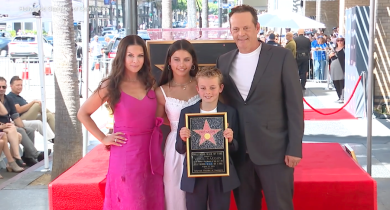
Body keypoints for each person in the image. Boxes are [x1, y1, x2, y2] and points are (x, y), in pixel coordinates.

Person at [216, 5, 304, 210]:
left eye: (246, 28)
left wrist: (294, 148)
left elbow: (294, 105)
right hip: (238, 153)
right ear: (230, 30)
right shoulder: (224, 61)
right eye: (236, 29)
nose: (241, 33)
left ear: (257, 27)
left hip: (275, 152)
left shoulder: (281, 57)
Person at [77, 35, 164, 210]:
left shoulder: (150, 81)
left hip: (151, 151)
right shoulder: (111, 85)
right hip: (126, 153)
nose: (135, 60)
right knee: (130, 202)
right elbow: (83, 113)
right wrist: (103, 138)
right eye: (130, 55)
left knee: (152, 201)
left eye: (140, 56)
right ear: (121, 56)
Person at [176, 66, 240, 210]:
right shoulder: (186, 113)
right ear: (197, 89)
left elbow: (237, 147)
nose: (208, 92)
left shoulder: (230, 112)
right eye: (203, 88)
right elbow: (179, 149)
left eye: (212, 87)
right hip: (195, 175)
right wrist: (183, 138)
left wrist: (230, 140)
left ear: (220, 88)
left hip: (221, 176)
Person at [155, 39, 200, 210]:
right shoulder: (161, 91)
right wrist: (177, 126)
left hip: (203, 144)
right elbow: (158, 121)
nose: (182, 64)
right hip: (175, 148)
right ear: (169, 61)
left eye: (186, 59)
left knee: (201, 193)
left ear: (193, 61)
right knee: (175, 193)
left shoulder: (201, 85)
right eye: (177, 59)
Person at [0, 77, 45, 167]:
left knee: (29, 130)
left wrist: (22, 127)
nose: (1, 89)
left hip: (8, 125)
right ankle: (35, 154)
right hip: (3, 127)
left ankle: (28, 157)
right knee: (19, 131)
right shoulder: (10, 97)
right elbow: (7, 113)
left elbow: (15, 116)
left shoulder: (8, 99)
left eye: (3, 87)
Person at [7, 76, 55, 141]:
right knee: (36, 105)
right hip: (19, 119)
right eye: (17, 85)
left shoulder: (19, 97)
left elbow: (28, 109)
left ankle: (58, 136)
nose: (20, 87)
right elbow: (18, 110)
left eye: (21, 85)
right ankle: (51, 137)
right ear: (11, 86)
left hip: (27, 116)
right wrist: (32, 102)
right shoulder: (11, 96)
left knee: (48, 116)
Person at [329, 35, 345, 103]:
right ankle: (339, 96)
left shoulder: (345, 49)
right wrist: (330, 56)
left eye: (341, 40)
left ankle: (342, 97)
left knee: (341, 82)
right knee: (335, 82)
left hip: (341, 67)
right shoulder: (334, 49)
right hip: (334, 67)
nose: (339, 42)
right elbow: (329, 58)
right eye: (338, 40)